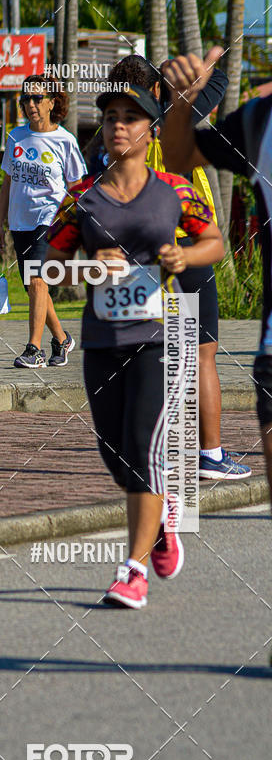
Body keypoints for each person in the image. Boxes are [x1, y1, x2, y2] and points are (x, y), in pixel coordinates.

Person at [43, 85, 224, 608]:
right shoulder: (81, 195)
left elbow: (212, 240)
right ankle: (162, 520)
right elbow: (43, 266)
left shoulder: (174, 190)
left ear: (151, 131)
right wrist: (86, 267)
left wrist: (183, 259)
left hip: (158, 340)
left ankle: (132, 571)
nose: (119, 125)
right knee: (116, 454)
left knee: (144, 452)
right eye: (111, 117)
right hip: (102, 342)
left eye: (131, 117)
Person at [87, 54, 250, 480]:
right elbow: (219, 78)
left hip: (136, 260)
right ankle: (209, 455)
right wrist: (184, 68)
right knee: (200, 357)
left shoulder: (105, 141)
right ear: (155, 90)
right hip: (186, 251)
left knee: (149, 358)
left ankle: (145, 452)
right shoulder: (172, 118)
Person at [160, 47, 272, 503]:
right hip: (181, 252)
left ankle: (185, 458)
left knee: (179, 355)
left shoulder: (111, 137)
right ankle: (195, 458)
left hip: (175, 251)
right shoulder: (259, 121)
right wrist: (183, 97)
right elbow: (180, 155)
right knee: (189, 354)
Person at [0, 73, 86, 368]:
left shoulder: (65, 141)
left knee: (37, 279)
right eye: (26, 99)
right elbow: (7, 182)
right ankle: (61, 339)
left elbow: (77, 188)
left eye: (37, 98)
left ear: (51, 103)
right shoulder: (16, 137)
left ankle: (34, 349)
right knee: (33, 287)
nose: (30, 104)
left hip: (51, 219)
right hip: (19, 221)